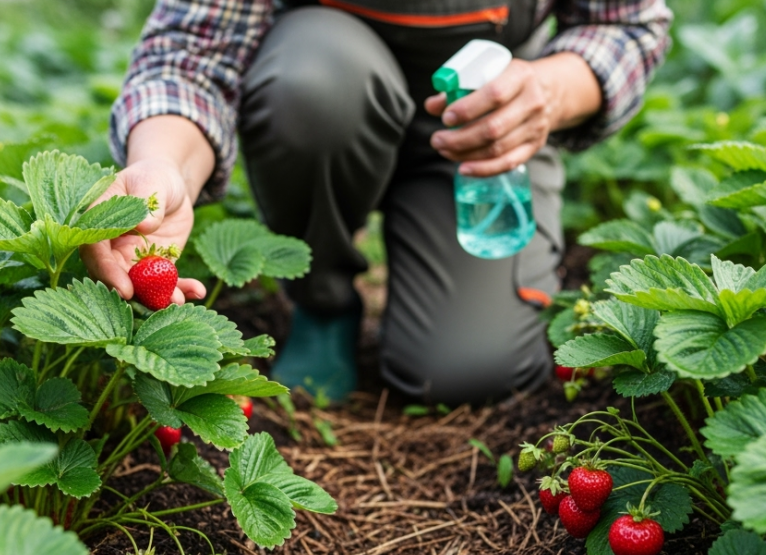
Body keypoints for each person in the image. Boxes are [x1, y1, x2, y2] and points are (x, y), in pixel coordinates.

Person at [81, 0, 672, 405]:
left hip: (483, 123)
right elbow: (191, 53)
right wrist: (161, 163)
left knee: (469, 368)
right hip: (325, 104)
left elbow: (627, 23)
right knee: (310, 82)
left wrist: (549, 91)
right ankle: (321, 299)